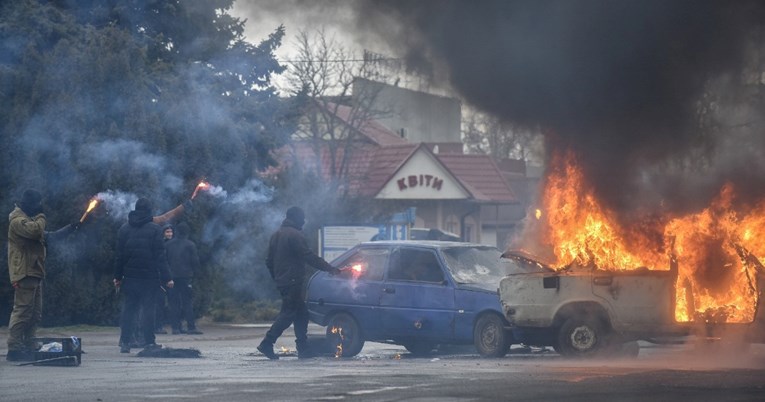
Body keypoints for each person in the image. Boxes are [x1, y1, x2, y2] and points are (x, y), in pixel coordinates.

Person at [257, 206, 340, 360]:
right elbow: (308, 256)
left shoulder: (277, 234)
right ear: (296, 218)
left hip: (284, 281)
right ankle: (267, 343)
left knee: (301, 314)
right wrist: (330, 268)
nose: (304, 221)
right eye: (302, 218)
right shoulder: (295, 235)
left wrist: (277, 277)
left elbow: (268, 261)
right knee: (289, 313)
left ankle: (303, 348)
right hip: (293, 281)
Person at [6, 189, 78, 361]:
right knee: (23, 311)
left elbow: (49, 237)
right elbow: (36, 231)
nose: (40, 207)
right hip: (24, 272)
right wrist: (42, 216)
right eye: (37, 203)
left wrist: (71, 228)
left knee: (35, 313)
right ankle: (14, 348)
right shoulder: (18, 221)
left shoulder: (30, 222)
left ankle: (28, 343)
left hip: (35, 271)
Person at [113, 198, 174, 354]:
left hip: (130, 277)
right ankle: (149, 342)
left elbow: (120, 256)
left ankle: (125, 342)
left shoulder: (124, 229)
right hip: (149, 278)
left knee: (129, 310)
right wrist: (167, 278)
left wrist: (117, 276)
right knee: (148, 311)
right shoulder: (155, 230)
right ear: (149, 210)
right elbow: (161, 257)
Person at [166, 222, 203, 335]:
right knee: (187, 302)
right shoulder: (190, 245)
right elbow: (195, 262)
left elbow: (164, 261)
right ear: (187, 232)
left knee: (174, 303)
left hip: (171, 277)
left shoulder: (168, 245)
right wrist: (197, 275)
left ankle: (176, 328)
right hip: (185, 277)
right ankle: (191, 327)